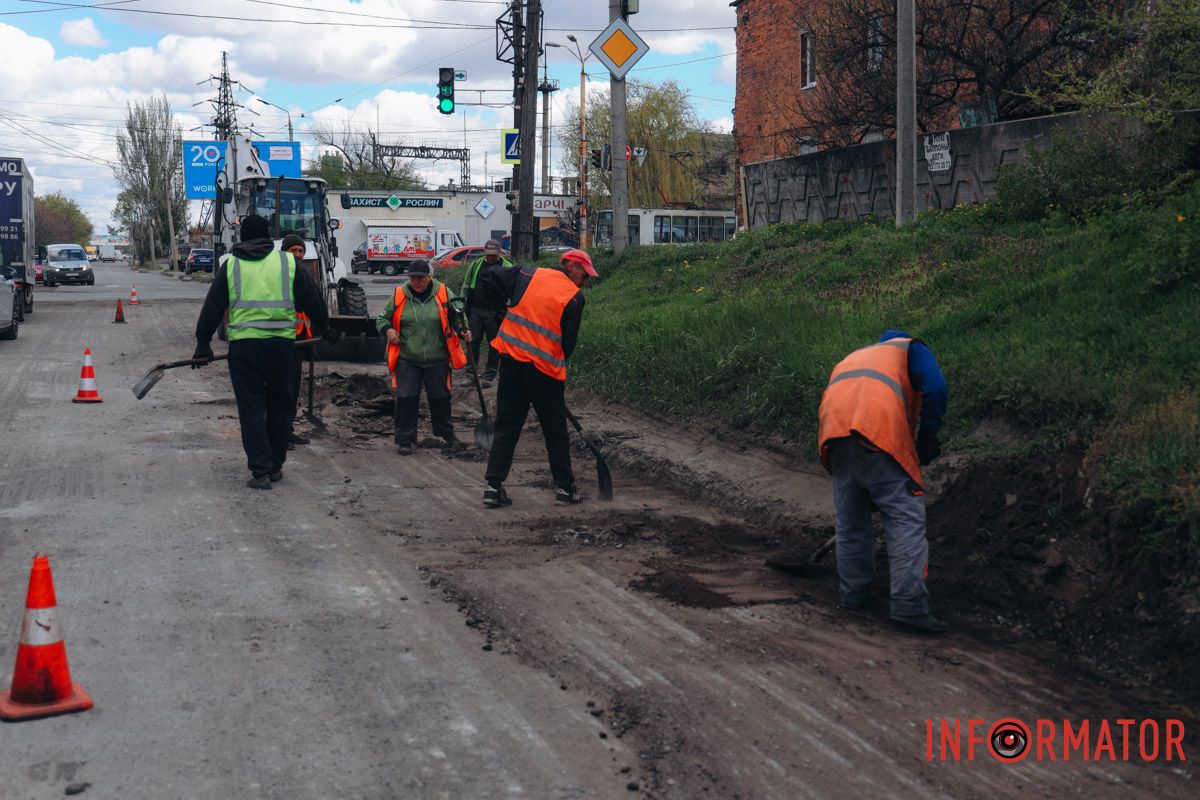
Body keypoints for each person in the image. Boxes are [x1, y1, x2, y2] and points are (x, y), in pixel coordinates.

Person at [817, 329, 949, 633]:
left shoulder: (855, 357)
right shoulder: (911, 349)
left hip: (834, 435)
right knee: (904, 517)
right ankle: (909, 604)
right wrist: (928, 438)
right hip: (877, 432)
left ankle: (853, 594)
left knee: (851, 522)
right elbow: (937, 388)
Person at [193, 215, 329, 490]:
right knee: (281, 405)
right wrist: (325, 327)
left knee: (252, 407)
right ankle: (276, 464)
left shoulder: (230, 264)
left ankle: (261, 470)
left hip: (244, 347)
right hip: (281, 347)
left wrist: (203, 342)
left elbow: (213, 306)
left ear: (242, 236)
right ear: (268, 236)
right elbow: (312, 299)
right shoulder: (287, 262)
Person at [476, 249, 596, 508]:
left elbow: (488, 278)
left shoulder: (526, 273)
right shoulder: (574, 297)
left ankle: (493, 487)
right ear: (571, 265)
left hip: (511, 363)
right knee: (554, 431)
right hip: (544, 372)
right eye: (584, 274)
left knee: (507, 426)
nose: (585, 281)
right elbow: (568, 344)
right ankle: (565, 489)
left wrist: (503, 308)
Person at [374, 259, 471, 455]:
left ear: (429, 277)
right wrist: (388, 330)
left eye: (421, 277)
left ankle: (446, 434)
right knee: (406, 398)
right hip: (408, 357)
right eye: (413, 278)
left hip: (438, 358)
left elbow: (457, 315)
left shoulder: (443, 292)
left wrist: (463, 330)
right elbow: (382, 318)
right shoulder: (400, 294)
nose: (417, 281)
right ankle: (405, 439)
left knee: (441, 398)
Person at [460, 239, 514, 382]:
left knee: (494, 345)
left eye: (493, 255)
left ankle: (489, 376)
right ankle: (470, 375)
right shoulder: (476, 264)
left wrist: (507, 312)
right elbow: (466, 286)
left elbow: (512, 291)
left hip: (495, 313)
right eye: (488, 254)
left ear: (499, 253)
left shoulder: (507, 266)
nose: (490, 257)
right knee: (472, 343)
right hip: (475, 311)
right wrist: (462, 306)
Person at [281, 234, 314, 449]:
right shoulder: (281, 275)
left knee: (293, 387)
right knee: (282, 390)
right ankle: (280, 432)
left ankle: (287, 430)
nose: (298, 255)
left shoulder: (305, 274)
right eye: (294, 251)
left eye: (301, 251)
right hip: (281, 341)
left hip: (298, 341)